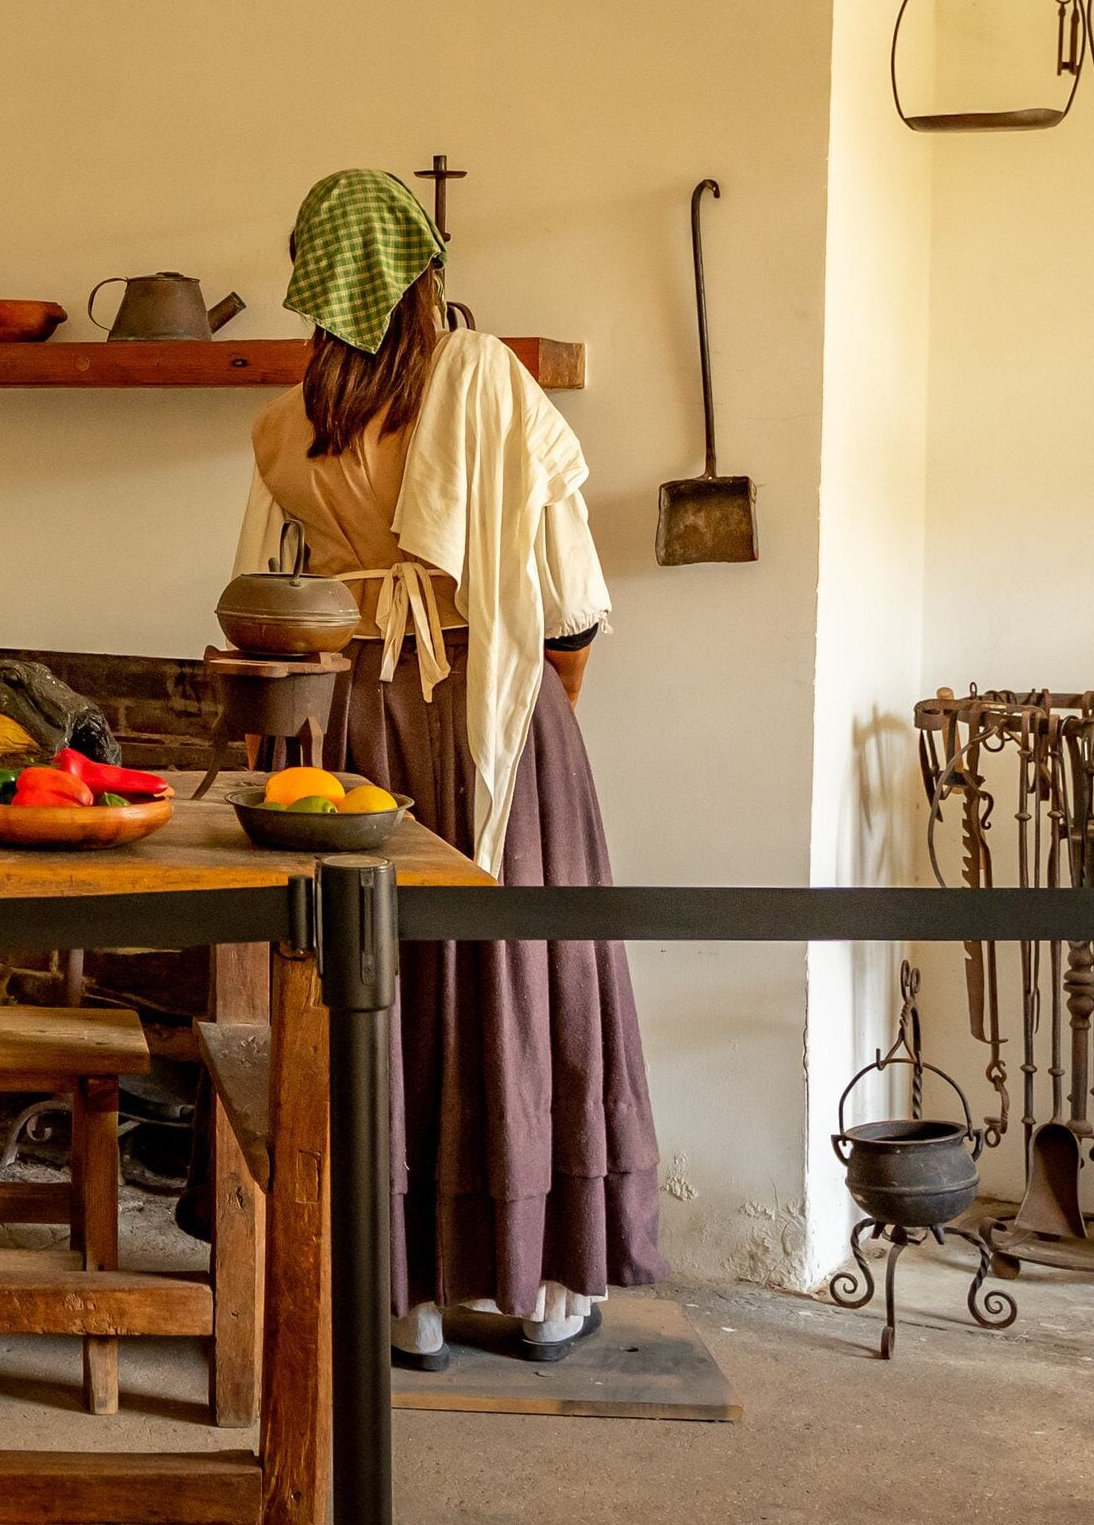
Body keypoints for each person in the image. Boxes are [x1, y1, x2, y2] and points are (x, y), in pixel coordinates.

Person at [230, 167, 661, 1369]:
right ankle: (541, 1287)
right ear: (424, 267)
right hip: (487, 705)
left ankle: (401, 1293)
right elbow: (565, 592)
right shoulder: (479, 375)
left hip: (349, 716)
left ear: (314, 282)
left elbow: (273, 596)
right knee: (532, 971)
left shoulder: (281, 425)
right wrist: (543, 720)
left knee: (384, 986)